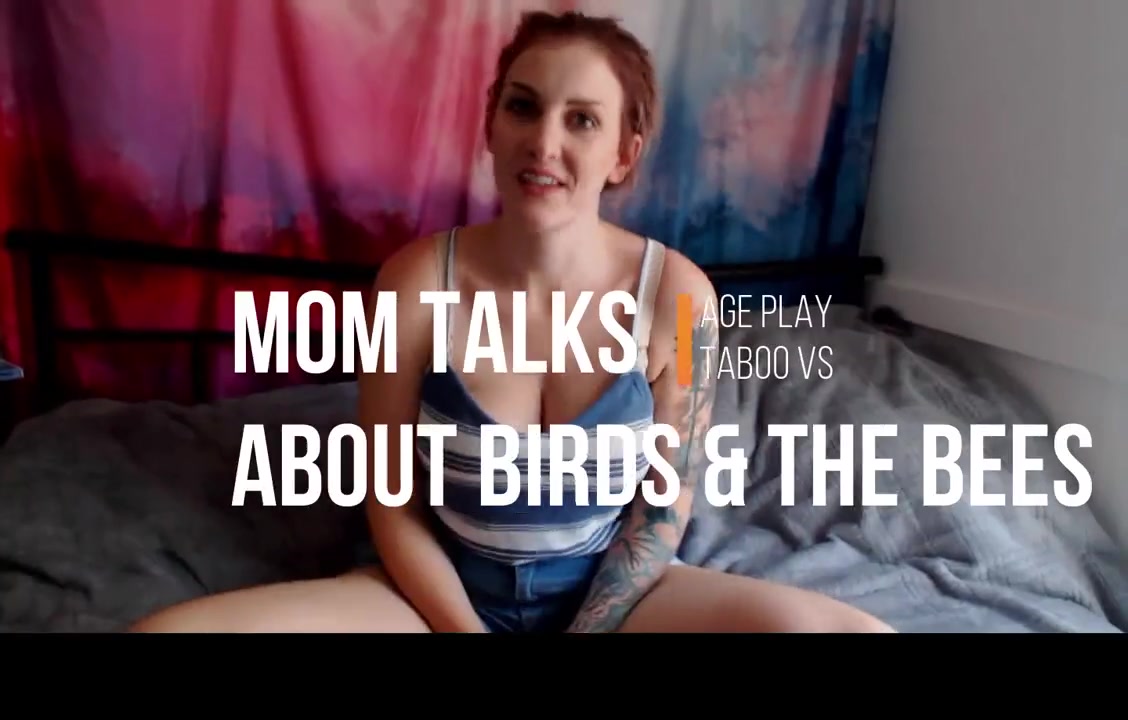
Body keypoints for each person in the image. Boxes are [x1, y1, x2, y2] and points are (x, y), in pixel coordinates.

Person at [129, 10, 894, 633]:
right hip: (440, 599)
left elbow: (663, 511)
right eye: (523, 106)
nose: (544, 141)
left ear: (623, 154)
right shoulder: (413, 283)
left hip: (618, 605)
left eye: (582, 120)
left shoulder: (680, 297)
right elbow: (391, 504)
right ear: (491, 125)